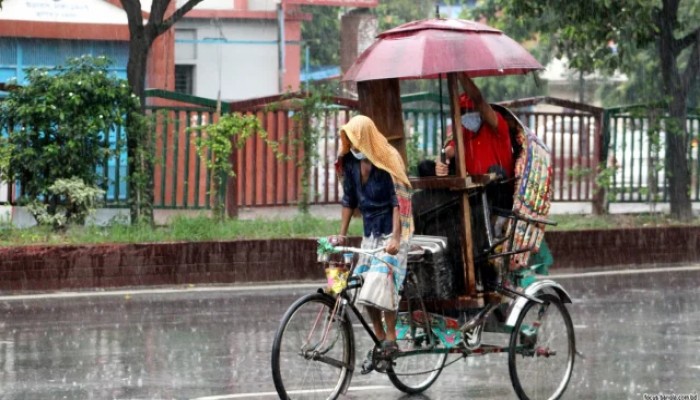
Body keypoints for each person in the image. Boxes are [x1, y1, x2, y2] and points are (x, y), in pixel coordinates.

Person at [331, 114, 413, 374]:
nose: (352, 145)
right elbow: (349, 200)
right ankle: (380, 339)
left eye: (355, 140)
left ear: (364, 138)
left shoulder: (387, 159)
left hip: (392, 232)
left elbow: (396, 201)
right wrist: (341, 235)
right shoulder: (353, 166)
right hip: (370, 234)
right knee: (361, 286)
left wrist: (396, 238)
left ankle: (391, 336)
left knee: (382, 281)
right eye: (349, 141)